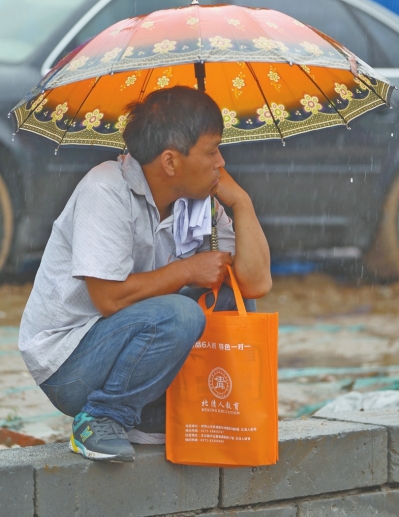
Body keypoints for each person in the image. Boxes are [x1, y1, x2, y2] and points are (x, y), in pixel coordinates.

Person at [19, 86, 272, 463]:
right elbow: (109, 299)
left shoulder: (198, 201)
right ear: (170, 161)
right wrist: (187, 269)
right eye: (211, 150)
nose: (221, 162)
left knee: (228, 298)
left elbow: (255, 284)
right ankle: (100, 418)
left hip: (130, 341)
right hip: (71, 365)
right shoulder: (106, 189)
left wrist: (242, 202)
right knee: (179, 314)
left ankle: (160, 413)